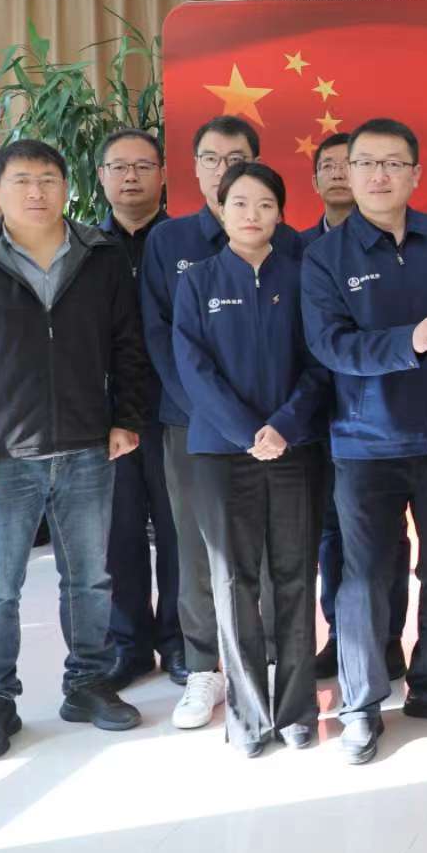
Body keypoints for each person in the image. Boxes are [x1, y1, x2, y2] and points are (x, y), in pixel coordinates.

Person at [0, 138, 152, 762]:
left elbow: (128, 345)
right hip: (2, 457)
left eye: (49, 179)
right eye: (22, 180)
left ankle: (87, 683)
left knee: (90, 580)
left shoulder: (100, 256)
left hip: (88, 447)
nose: (37, 191)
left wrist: (126, 418)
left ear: (66, 188)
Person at [302, 117, 427, 765]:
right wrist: (406, 341)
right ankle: (360, 705)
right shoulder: (325, 256)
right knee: (365, 579)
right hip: (365, 443)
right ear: (348, 174)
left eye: (393, 164)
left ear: (416, 174)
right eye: (366, 163)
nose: (379, 175)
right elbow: (329, 345)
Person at [140, 115, 300, 731]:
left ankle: (266, 665)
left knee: (274, 551)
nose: (223, 168)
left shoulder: (289, 246)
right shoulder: (170, 241)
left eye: (237, 158)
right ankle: (204, 665)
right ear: (196, 168)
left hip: (278, 431)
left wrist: (271, 425)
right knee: (201, 550)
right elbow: (165, 339)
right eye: (211, 158)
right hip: (195, 425)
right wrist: (221, 418)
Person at [173, 163, 330, 756]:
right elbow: (194, 369)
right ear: (220, 209)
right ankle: (247, 714)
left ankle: (295, 711)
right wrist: (246, 431)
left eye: (265, 204)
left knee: (294, 575)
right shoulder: (198, 280)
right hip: (222, 452)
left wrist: (283, 427)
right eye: (239, 202)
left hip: (294, 448)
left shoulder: (303, 277)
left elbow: (319, 364)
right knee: (233, 579)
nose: (251, 214)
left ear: (281, 214)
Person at [304, 133, 410, 684]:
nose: (346, 175)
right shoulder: (305, 249)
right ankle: (343, 643)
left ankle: (388, 643)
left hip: (381, 418)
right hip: (317, 417)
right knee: (334, 538)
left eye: (359, 164)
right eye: (334, 166)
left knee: (388, 541)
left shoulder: (418, 242)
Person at [95, 128, 183, 690]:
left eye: (143, 166)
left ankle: (179, 641)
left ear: (163, 175)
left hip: (175, 409)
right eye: (119, 167)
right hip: (106, 419)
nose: (131, 177)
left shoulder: (185, 244)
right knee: (118, 533)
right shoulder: (82, 248)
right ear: (101, 177)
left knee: (178, 532)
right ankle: (127, 646)